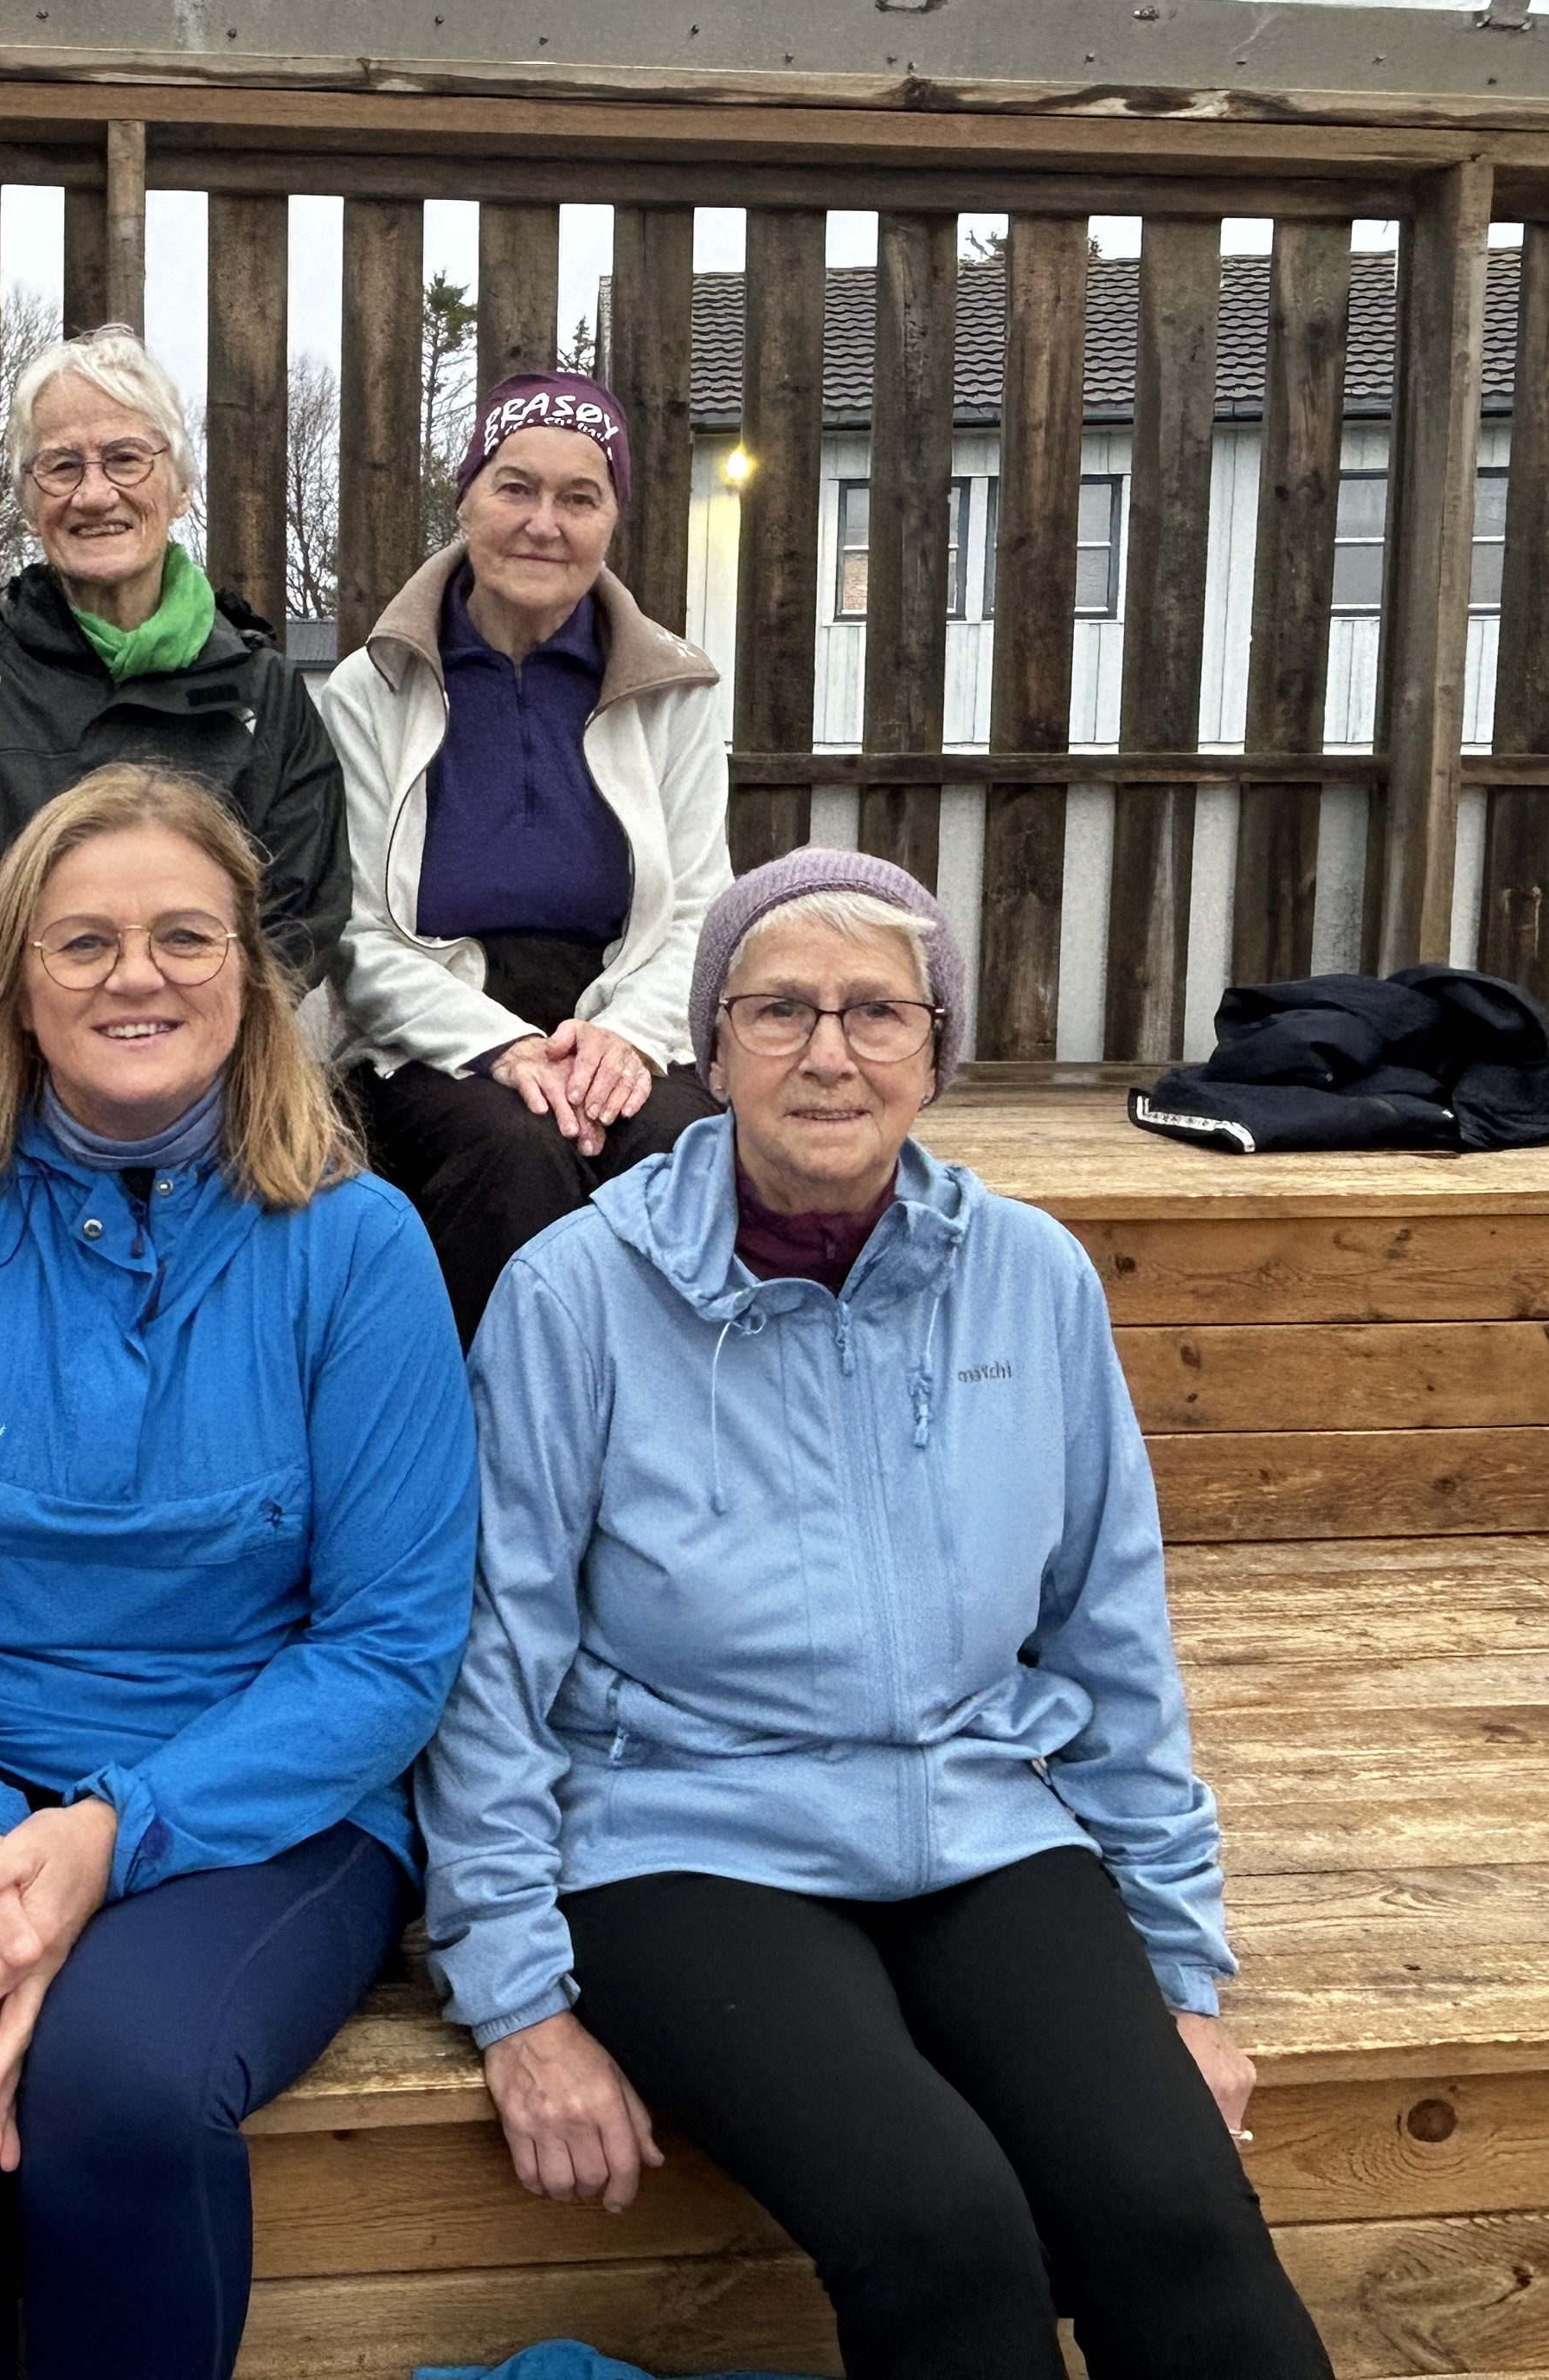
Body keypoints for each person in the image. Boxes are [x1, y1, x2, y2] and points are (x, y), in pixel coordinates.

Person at [418, 848, 1334, 2380]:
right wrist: (515, 1996)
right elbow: (491, 1661)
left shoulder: (1029, 1276)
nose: (826, 1051)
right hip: (684, 1834)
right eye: (775, 1009)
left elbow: (1107, 1628)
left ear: (934, 1048)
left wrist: (1178, 1972)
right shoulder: (577, 1290)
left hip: (979, 1818)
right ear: (708, 1049)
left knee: (1174, 2211)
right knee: (943, 2223)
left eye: (874, 1010)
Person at [0, 762, 477, 2379]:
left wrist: (114, 1830)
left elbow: (386, 1644)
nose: (136, 974)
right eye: (83, 941)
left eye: (183, 935)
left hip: (251, 1802)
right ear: (16, 976)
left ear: (251, 968)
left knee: (123, 2088)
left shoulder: (356, 1246)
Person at [320, 368, 730, 1344]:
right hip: (436, 1029)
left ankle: (658, 1448)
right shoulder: (368, 691)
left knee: (683, 1146)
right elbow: (360, 937)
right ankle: (495, 1449)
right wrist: (501, 1046)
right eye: (516, 487)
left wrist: (626, 1036)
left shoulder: (673, 689)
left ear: (611, 521)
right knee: (513, 1150)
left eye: (579, 496)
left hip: (621, 1016)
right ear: (466, 501)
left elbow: (700, 913)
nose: (544, 521)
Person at [0, 324, 351, 1113]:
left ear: (179, 487)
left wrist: (177, 1068)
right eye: (60, 466)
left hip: (209, 1106)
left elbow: (299, 922)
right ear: (26, 499)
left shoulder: (269, 695)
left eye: (126, 459)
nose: (94, 494)